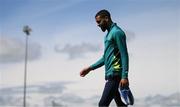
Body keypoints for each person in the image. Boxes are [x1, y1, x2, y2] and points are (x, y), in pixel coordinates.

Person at [80, 9, 129, 107]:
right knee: (120, 104)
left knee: (102, 104)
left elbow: (124, 55)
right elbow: (105, 58)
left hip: (115, 74)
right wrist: (90, 68)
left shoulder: (117, 33)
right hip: (110, 74)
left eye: (99, 22)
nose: (97, 25)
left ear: (106, 18)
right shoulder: (108, 35)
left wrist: (124, 76)